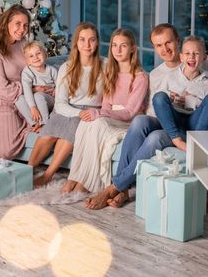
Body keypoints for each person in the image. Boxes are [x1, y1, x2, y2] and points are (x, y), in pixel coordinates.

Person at [85, 23, 208, 210]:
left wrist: (186, 101)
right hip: (164, 121)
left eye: (168, 42)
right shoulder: (156, 74)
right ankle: (123, 189)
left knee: (155, 138)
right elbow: (151, 109)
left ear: (177, 42)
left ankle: (115, 187)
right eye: (158, 45)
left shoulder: (198, 66)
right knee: (139, 121)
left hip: (183, 127)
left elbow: (207, 103)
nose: (164, 49)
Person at [61, 28, 148, 194]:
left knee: (98, 123)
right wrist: (100, 113)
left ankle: (89, 181)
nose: (118, 50)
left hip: (128, 121)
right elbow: (106, 105)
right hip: (112, 116)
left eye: (123, 46)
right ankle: (75, 175)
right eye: (114, 45)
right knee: (86, 124)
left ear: (133, 48)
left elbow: (130, 112)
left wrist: (100, 113)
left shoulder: (140, 77)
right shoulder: (110, 72)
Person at [28, 22, 105, 187]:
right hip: (66, 108)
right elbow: (60, 103)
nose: (87, 45)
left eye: (91, 40)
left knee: (69, 134)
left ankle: (48, 175)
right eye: (82, 40)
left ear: (97, 42)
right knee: (48, 134)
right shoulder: (67, 67)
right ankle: (27, 171)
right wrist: (76, 113)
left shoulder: (105, 66)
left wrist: (87, 113)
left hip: (90, 111)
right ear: (76, 42)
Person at [0, 4, 31, 160]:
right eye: (18, 24)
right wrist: (29, 89)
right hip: (3, 101)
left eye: (25, 25)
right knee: (6, 150)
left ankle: (29, 125)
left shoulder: (23, 44)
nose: (22, 29)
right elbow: (2, 88)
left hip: (24, 98)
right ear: (6, 24)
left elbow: (33, 70)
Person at [153, 35, 208, 151]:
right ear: (181, 57)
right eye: (187, 53)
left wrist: (189, 100)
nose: (191, 57)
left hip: (194, 123)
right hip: (174, 120)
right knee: (159, 96)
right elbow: (157, 102)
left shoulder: (207, 83)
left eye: (196, 53)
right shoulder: (170, 77)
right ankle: (177, 140)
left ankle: (196, 143)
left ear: (204, 58)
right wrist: (170, 96)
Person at [15, 41, 58, 132]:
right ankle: (35, 123)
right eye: (31, 56)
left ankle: (45, 123)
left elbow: (61, 86)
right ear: (27, 61)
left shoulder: (52, 70)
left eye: (38, 53)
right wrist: (33, 107)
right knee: (19, 100)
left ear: (45, 54)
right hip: (34, 100)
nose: (35, 57)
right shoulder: (27, 72)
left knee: (38, 96)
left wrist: (55, 91)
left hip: (50, 99)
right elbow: (27, 90)